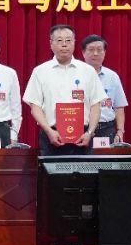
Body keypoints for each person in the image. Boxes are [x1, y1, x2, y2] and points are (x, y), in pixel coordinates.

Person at [23, 24, 104, 156]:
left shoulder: (88, 71)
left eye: (68, 40)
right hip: (51, 136)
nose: (64, 45)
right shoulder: (40, 71)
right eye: (59, 40)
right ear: (51, 44)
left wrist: (89, 133)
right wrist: (49, 131)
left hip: (82, 137)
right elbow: (35, 106)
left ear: (74, 43)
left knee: (83, 170)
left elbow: (96, 105)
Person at [80, 34, 128, 144]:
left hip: (106, 129)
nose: (95, 53)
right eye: (91, 50)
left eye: (99, 50)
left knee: (103, 156)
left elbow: (119, 107)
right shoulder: (75, 75)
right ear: (83, 53)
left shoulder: (112, 76)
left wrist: (120, 131)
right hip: (82, 128)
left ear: (104, 53)